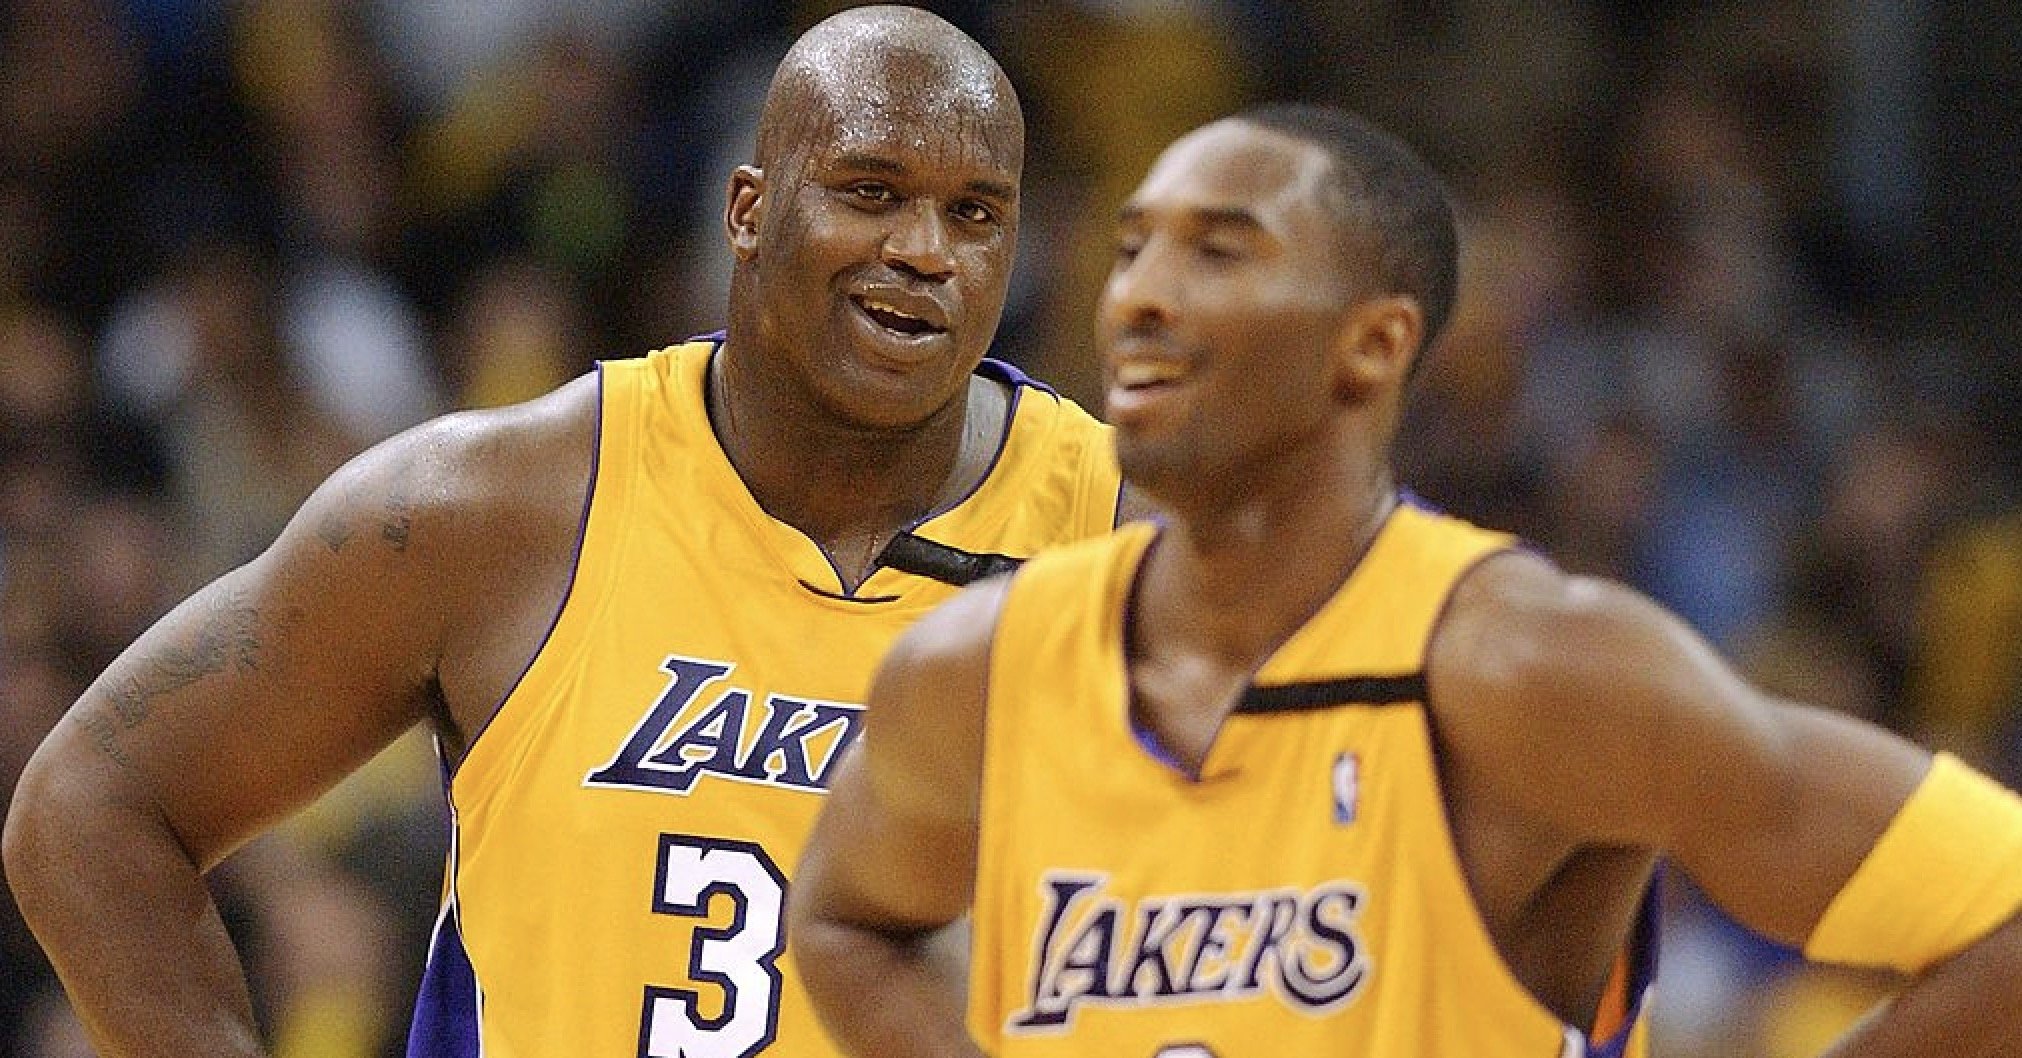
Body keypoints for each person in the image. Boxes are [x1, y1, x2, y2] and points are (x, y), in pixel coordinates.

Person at [1, 7, 1133, 1058]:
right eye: (871, 191)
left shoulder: (1132, 538)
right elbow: (88, 809)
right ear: (747, 210)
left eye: (975, 212)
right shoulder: (492, 509)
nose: (926, 249)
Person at [788, 103, 2022, 1057]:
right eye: (1132, 249)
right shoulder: (981, 668)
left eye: (1219, 253)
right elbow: (843, 920)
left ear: (1373, 344)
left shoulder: (1528, 668)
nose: (1141, 298)